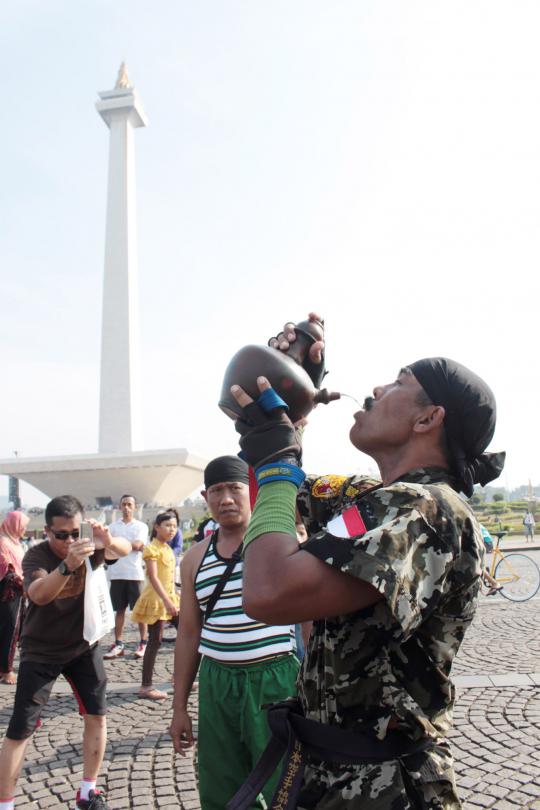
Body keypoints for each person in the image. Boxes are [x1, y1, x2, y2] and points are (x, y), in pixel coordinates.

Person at [226, 315, 506, 809]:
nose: (376, 388)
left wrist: (278, 459)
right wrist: (292, 397)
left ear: (427, 419)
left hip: (383, 788)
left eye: (399, 382)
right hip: (333, 775)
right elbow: (278, 496)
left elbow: (269, 591)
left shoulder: (426, 509)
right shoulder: (374, 500)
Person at [169, 456, 301, 810]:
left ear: (251, 492)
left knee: (286, 784)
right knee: (221, 784)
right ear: (205, 496)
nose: (225, 498)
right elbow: (188, 632)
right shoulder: (195, 558)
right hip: (217, 682)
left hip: (275, 679)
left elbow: (308, 618)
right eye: (216, 490)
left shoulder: (278, 544)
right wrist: (179, 707)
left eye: (234, 488)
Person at [0, 495, 132, 810]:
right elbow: (38, 594)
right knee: (21, 729)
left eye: (75, 533)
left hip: (84, 645)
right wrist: (67, 565)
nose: (69, 541)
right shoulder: (36, 556)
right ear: (47, 531)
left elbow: (125, 550)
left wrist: (108, 540)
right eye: (61, 535)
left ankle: (88, 792)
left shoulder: (89, 550)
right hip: (41, 651)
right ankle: (5, 803)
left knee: (97, 715)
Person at [131, 510, 180, 700]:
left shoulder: (167, 548)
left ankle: (178, 677)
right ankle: (146, 686)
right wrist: (167, 601)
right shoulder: (152, 548)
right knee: (155, 640)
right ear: (157, 527)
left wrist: (175, 594)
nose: (172, 529)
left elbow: (169, 578)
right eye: (168, 525)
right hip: (156, 600)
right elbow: (153, 577)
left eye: (175, 526)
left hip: (170, 597)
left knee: (185, 634)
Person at [104, 494, 149, 659]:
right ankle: (119, 642)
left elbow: (139, 545)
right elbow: (108, 546)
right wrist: (124, 545)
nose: (127, 507)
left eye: (130, 504)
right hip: (116, 573)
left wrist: (118, 545)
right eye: (124, 504)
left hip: (134, 573)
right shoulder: (112, 527)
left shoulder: (141, 526)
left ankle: (143, 641)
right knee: (119, 610)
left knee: (139, 611)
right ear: (119, 507)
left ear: (135, 507)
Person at [0, 512, 30, 685]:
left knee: (14, 629)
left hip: (17, 592)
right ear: (14, 524)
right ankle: (6, 671)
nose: (24, 529)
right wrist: (23, 584)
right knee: (9, 631)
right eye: (22, 525)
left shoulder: (14, 542)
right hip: (8, 592)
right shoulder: (3, 542)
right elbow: (7, 570)